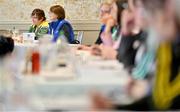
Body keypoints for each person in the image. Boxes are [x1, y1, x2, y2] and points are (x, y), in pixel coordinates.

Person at [92, 0, 180, 110]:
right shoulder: (162, 40)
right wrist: (114, 107)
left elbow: (164, 99)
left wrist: (143, 88)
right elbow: (156, 100)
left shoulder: (164, 40)